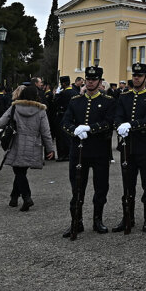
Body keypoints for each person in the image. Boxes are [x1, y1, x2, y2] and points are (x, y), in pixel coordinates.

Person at [61, 65, 117, 236]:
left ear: (100, 82)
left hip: (99, 151)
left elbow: (109, 123)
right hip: (78, 152)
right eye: (88, 79)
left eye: (94, 80)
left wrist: (90, 129)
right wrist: (74, 130)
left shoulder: (108, 101)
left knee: (100, 188)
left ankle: (97, 220)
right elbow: (65, 122)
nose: (91, 82)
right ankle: (76, 221)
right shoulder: (75, 101)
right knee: (77, 188)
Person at [112, 63, 146, 232]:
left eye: (140, 76)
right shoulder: (124, 97)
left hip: (144, 146)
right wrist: (119, 125)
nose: (136, 78)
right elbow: (117, 116)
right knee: (127, 184)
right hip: (127, 147)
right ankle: (128, 216)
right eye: (134, 76)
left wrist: (130, 125)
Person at [0, 84, 56, 211]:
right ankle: (14, 197)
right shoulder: (41, 111)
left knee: (19, 171)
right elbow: (46, 131)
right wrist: (50, 148)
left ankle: (26, 197)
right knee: (21, 171)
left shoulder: (15, 107)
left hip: (16, 141)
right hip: (33, 143)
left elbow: (0, 123)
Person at [53, 76, 76, 161]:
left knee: (61, 137)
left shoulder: (63, 93)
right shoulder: (75, 92)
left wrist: (57, 95)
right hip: (72, 117)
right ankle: (69, 153)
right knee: (69, 136)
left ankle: (62, 155)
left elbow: (56, 103)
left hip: (62, 116)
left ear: (63, 84)